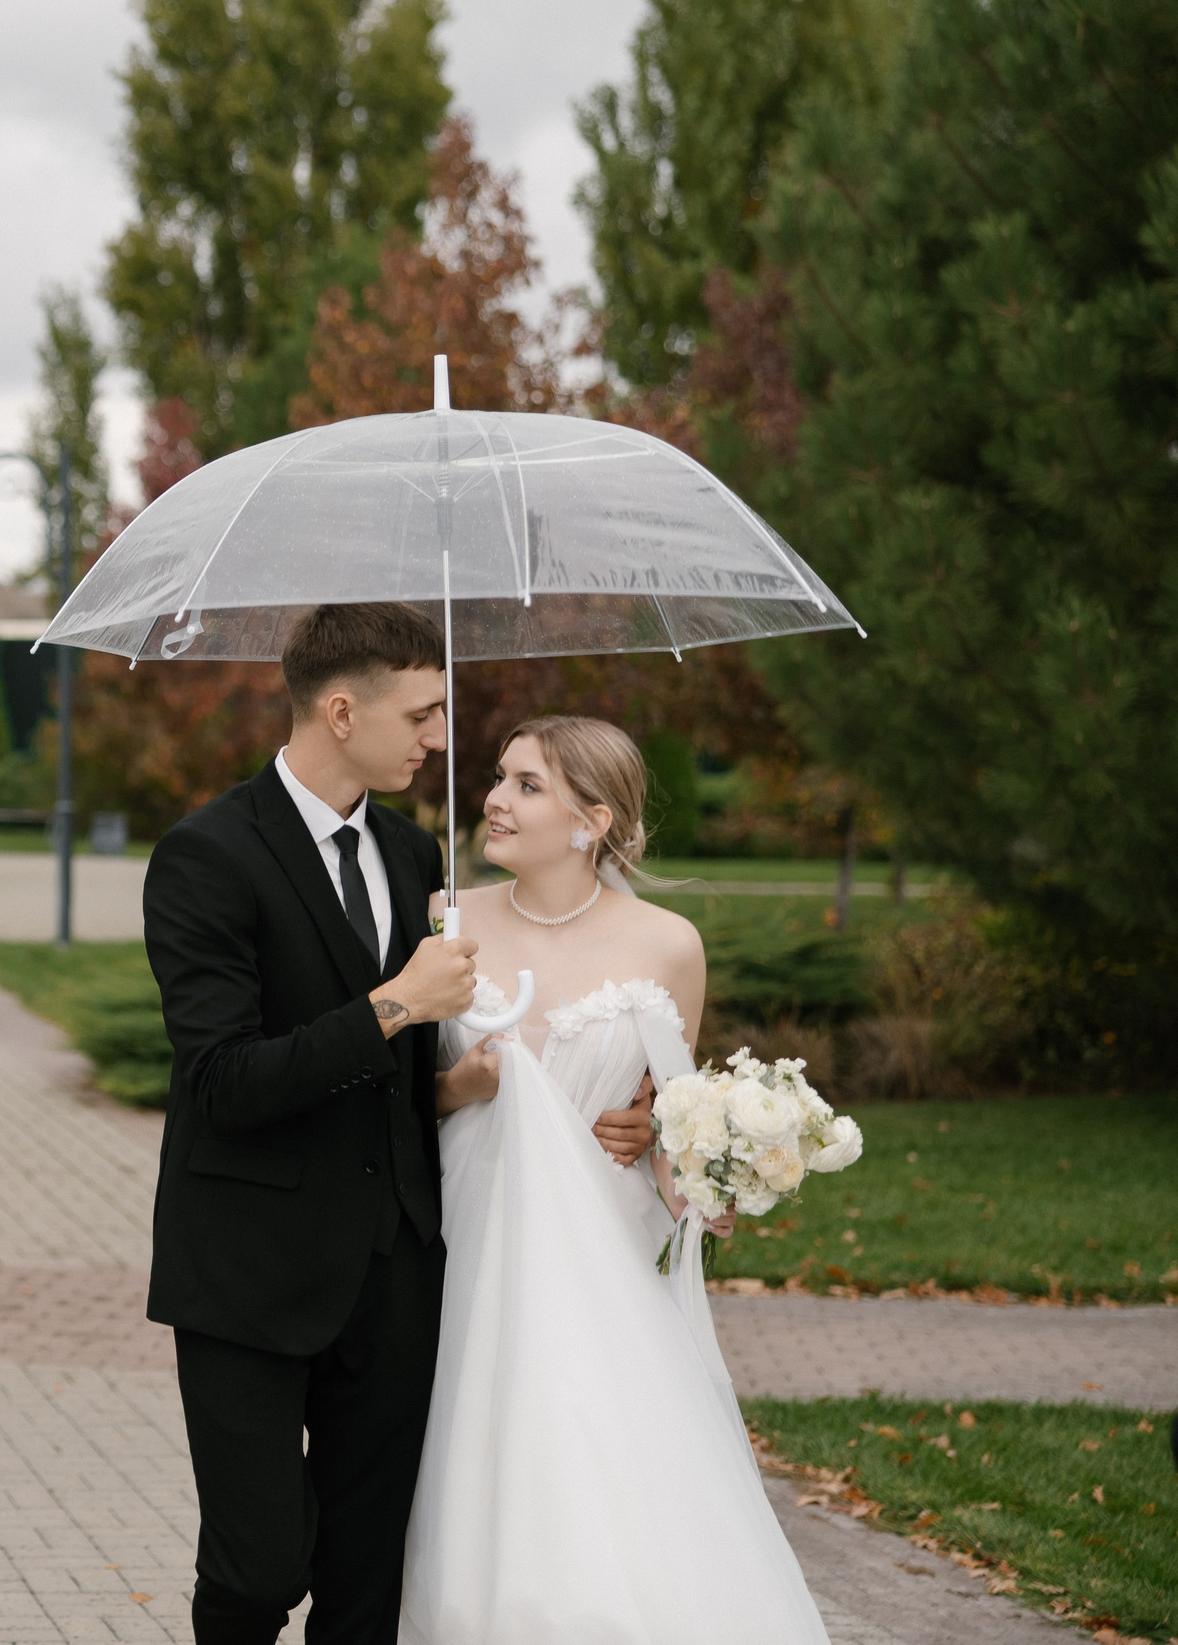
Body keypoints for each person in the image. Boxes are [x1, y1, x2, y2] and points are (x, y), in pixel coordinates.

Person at [141, 606, 657, 1645]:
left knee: (366, 1579)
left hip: (396, 1269)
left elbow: (414, 1069)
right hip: (248, 1271)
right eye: (420, 714)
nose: (434, 737)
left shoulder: (415, 855)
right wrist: (392, 1005)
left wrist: (481, 1087)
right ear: (341, 711)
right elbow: (220, 1085)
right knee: (256, 1569)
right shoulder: (204, 856)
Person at [397, 715, 829, 1644]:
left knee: (593, 1463)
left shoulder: (669, 944)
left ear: (591, 821)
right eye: (500, 778)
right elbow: (389, 1095)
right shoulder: (445, 916)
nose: (494, 800)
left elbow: (673, 1113)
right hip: (465, 1235)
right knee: (474, 1461)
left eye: (526, 785)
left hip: (605, 1247)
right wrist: (455, 1085)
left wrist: (707, 1177)